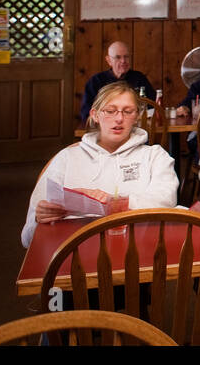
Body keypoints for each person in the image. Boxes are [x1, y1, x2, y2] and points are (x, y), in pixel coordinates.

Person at [22, 82, 177, 248]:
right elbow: (28, 238)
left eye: (128, 111)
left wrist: (113, 203)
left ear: (137, 116)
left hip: (140, 248)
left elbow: (166, 200)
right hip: (75, 252)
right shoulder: (66, 158)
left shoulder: (154, 155)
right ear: (95, 115)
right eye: (110, 111)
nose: (119, 118)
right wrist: (40, 217)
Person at [79, 41, 155, 124]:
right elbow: (86, 113)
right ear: (109, 60)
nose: (123, 61)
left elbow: (153, 106)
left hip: (136, 127)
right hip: (105, 130)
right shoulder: (96, 81)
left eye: (126, 57)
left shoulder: (139, 78)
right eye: (118, 57)